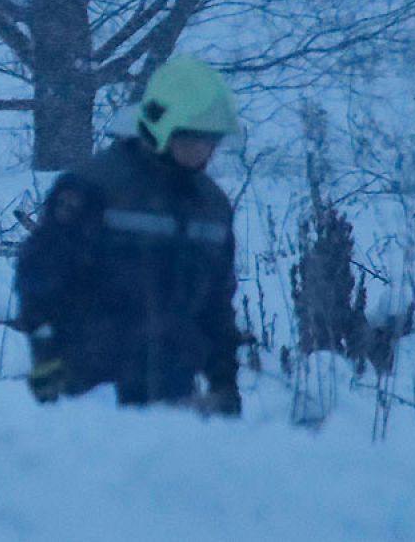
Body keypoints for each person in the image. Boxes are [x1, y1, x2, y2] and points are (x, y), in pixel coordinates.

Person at [14, 55, 243, 415]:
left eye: (211, 140)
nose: (203, 150)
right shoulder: (92, 188)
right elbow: (41, 281)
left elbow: (217, 303)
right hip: (88, 392)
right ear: (158, 126)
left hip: (173, 393)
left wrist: (223, 381)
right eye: (192, 138)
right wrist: (47, 362)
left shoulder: (212, 206)